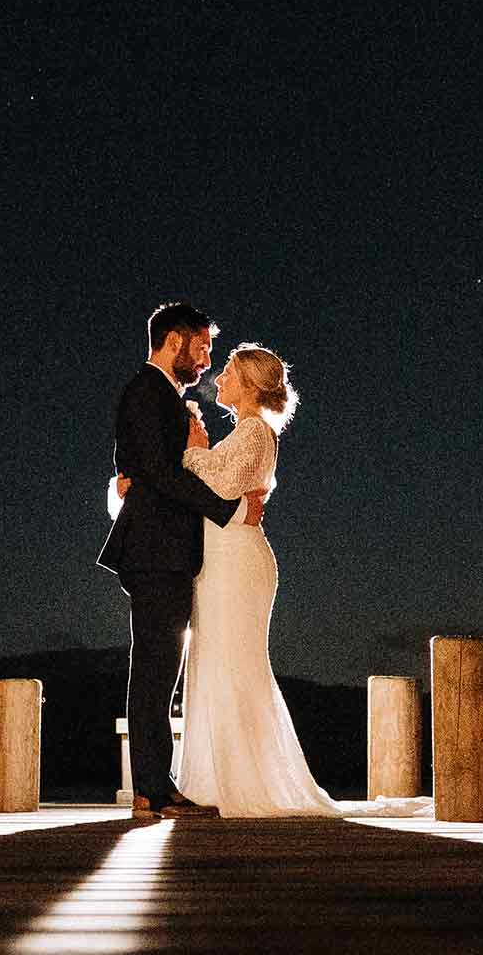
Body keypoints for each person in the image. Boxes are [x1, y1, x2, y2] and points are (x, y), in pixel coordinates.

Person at [138, 343, 431, 818]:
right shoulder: (243, 433)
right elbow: (216, 488)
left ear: (250, 384)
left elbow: (221, 487)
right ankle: (213, 779)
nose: (219, 379)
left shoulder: (256, 432)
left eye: (229, 371)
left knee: (236, 665)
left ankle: (249, 782)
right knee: (214, 664)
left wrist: (193, 452)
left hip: (237, 566)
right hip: (219, 563)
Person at [98, 302, 264, 820]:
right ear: (174, 342)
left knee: (159, 666)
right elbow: (159, 473)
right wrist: (229, 509)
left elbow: (143, 470)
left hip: (165, 551)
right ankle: (153, 787)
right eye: (202, 348)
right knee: (154, 668)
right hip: (155, 551)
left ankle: (155, 784)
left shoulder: (163, 397)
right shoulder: (148, 391)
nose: (207, 361)